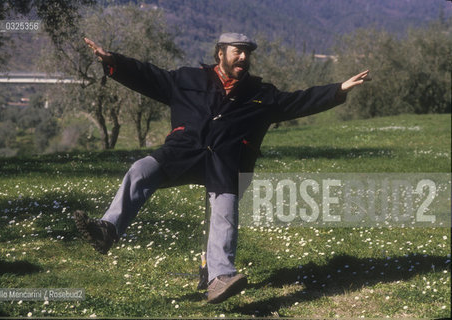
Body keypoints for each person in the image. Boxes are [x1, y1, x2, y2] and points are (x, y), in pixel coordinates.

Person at [74, 32, 370, 304]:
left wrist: (339, 89)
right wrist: (115, 62)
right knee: (140, 170)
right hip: (182, 152)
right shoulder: (187, 79)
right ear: (220, 53)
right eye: (237, 52)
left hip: (226, 163)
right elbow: (148, 75)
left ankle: (219, 277)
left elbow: (300, 101)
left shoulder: (261, 94)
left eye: (247, 53)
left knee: (224, 213)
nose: (243, 57)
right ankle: (106, 231)